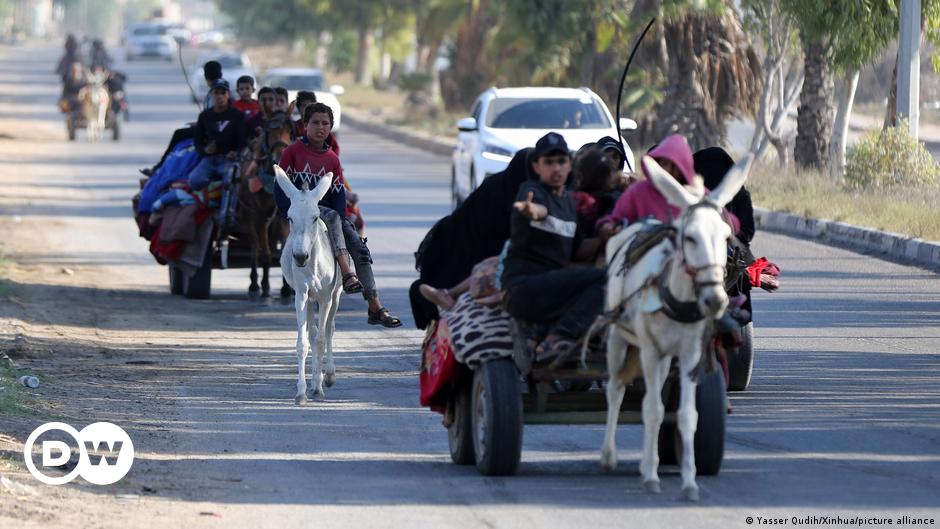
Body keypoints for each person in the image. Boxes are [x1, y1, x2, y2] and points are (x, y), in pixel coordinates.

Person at [276, 103, 402, 328]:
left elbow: (337, 197)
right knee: (334, 218)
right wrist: (291, 212)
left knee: (359, 246)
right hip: (301, 212)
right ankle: (347, 273)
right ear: (305, 125)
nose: (320, 128)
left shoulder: (332, 159)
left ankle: (375, 306)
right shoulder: (293, 152)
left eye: (325, 124)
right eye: (315, 122)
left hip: (328, 214)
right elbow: (281, 185)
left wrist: (345, 220)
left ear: (331, 127)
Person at [501, 132, 609, 360]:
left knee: (607, 280)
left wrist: (605, 237)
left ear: (570, 164)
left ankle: (539, 335)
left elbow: (578, 248)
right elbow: (539, 211)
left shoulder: (569, 201)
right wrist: (532, 211)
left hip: (552, 287)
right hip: (523, 287)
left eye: (561, 161)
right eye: (549, 162)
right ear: (537, 166)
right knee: (604, 279)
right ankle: (558, 338)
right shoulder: (532, 192)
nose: (556, 168)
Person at [596, 133, 740, 238]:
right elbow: (614, 219)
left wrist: (720, 223)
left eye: (671, 164)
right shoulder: (639, 191)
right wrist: (607, 227)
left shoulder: (698, 194)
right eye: (662, 163)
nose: (666, 169)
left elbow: (732, 224)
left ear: (682, 166)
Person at [188, 79, 246, 191]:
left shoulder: (237, 115)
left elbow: (242, 139)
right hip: (210, 160)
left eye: (223, 93)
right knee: (194, 181)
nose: (220, 96)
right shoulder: (205, 116)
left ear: (228, 95)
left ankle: (226, 208)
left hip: (229, 160)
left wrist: (236, 153)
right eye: (216, 93)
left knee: (230, 182)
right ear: (211, 95)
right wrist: (205, 150)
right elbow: (198, 141)